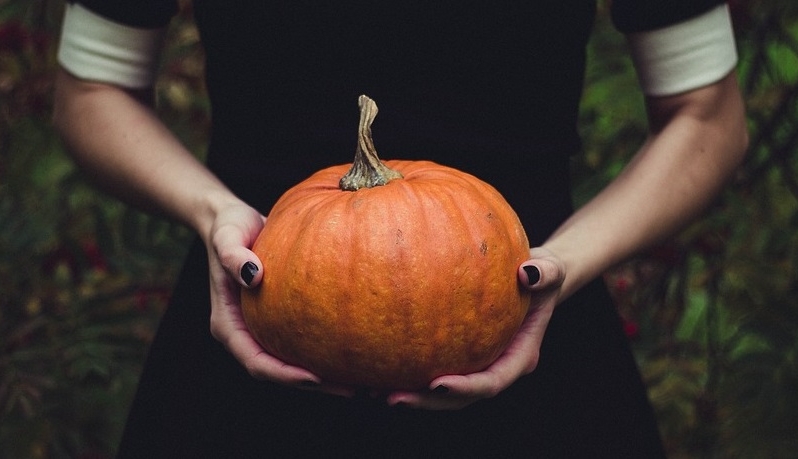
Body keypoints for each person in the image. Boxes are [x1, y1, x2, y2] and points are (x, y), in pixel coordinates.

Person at [53, 1, 747, 457]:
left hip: (527, 323)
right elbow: (92, 90)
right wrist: (212, 213)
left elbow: (708, 113)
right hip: (254, 319)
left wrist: (563, 261)